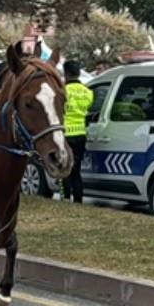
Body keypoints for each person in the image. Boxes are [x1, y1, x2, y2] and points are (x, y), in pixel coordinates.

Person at [62, 61, 91, 203]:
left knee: (64, 169)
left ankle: (66, 197)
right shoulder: (88, 92)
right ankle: (78, 200)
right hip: (80, 134)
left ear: (66, 74)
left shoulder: (62, 91)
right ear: (79, 73)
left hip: (65, 135)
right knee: (76, 170)